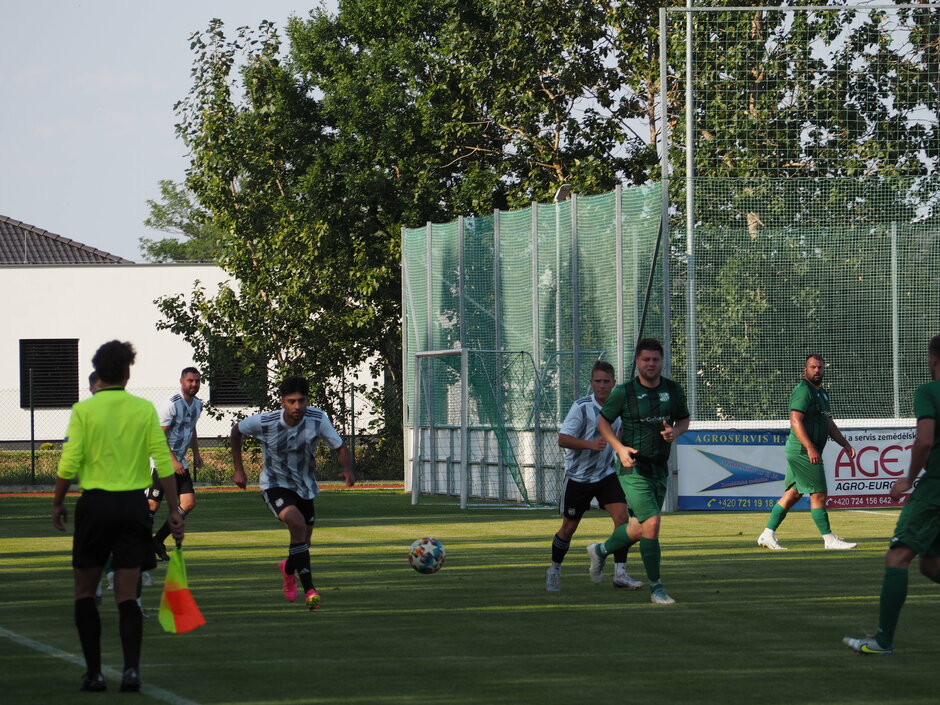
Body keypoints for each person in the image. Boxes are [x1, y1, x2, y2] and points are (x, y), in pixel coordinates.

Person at [52, 340, 183, 693]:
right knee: (127, 595)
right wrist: (174, 510)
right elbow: (163, 463)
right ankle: (131, 673)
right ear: (127, 372)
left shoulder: (84, 410)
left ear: (98, 372)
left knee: (85, 591)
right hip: (133, 507)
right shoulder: (143, 409)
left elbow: (69, 462)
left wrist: (57, 502)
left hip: (95, 505)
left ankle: (94, 674)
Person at [844, 334, 940, 655]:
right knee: (930, 565)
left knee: (897, 557)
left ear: (933, 360)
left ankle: (883, 641)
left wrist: (908, 480)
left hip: (935, 489)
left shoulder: (928, 392)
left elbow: (924, 440)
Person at [230, 376, 355, 610]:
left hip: (305, 487)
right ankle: (310, 590)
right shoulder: (265, 421)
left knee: (304, 542)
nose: (298, 406)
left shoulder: (317, 419)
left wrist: (347, 469)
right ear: (282, 402)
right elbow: (236, 431)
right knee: (296, 524)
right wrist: (239, 469)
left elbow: (340, 447)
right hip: (275, 485)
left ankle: (288, 569)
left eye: (301, 400)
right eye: (292, 401)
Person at [586, 338, 690, 605]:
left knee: (637, 529)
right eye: (646, 359)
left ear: (662, 362)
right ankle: (657, 589)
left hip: (659, 468)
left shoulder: (673, 390)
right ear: (637, 362)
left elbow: (684, 419)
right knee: (652, 522)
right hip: (632, 468)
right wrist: (619, 448)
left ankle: (600, 550)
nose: (650, 364)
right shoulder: (624, 392)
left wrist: (675, 431)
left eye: (655, 359)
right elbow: (603, 423)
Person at [546, 360, 643, 592]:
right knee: (569, 528)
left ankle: (620, 574)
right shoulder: (581, 407)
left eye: (606, 381)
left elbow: (621, 434)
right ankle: (554, 569)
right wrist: (590, 444)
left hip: (606, 474)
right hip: (578, 477)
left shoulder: (620, 407)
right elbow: (563, 439)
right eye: (598, 381)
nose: (601, 385)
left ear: (613, 383)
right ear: (591, 383)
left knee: (622, 519)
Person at [757, 354, 857, 551]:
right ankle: (829, 540)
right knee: (819, 494)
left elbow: (829, 423)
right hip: (803, 450)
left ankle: (767, 535)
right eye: (813, 367)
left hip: (804, 450)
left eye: (820, 367)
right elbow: (795, 420)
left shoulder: (822, 394)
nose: (817, 370)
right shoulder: (803, 390)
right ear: (805, 370)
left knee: (793, 494)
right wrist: (810, 447)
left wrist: (845, 444)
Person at [149, 367, 203, 561]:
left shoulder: (198, 405)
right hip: (162, 461)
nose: (194, 384)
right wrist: (172, 460)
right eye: (190, 380)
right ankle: (140, 546)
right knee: (152, 505)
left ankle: (157, 541)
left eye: (197, 381)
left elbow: (191, 428)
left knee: (188, 503)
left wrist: (196, 453)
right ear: (181, 381)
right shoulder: (171, 404)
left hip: (179, 461)